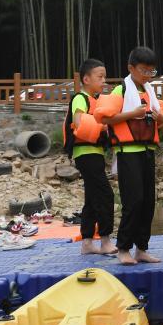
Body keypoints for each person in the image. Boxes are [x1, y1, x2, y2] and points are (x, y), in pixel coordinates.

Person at [99, 46, 163, 265]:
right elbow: (103, 117)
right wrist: (133, 113)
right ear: (131, 68)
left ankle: (142, 248)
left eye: (151, 71)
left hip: (147, 151)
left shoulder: (150, 92)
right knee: (133, 200)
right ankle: (123, 249)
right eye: (143, 70)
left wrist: (158, 117)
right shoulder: (120, 90)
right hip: (127, 152)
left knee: (148, 201)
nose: (147, 75)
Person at [64, 58, 117, 255]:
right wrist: (103, 126)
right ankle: (105, 240)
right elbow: (78, 122)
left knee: (92, 197)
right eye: (100, 77)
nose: (104, 81)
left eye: (105, 77)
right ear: (86, 79)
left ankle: (87, 243)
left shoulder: (98, 101)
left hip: (94, 152)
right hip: (85, 153)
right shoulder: (81, 98)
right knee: (105, 195)